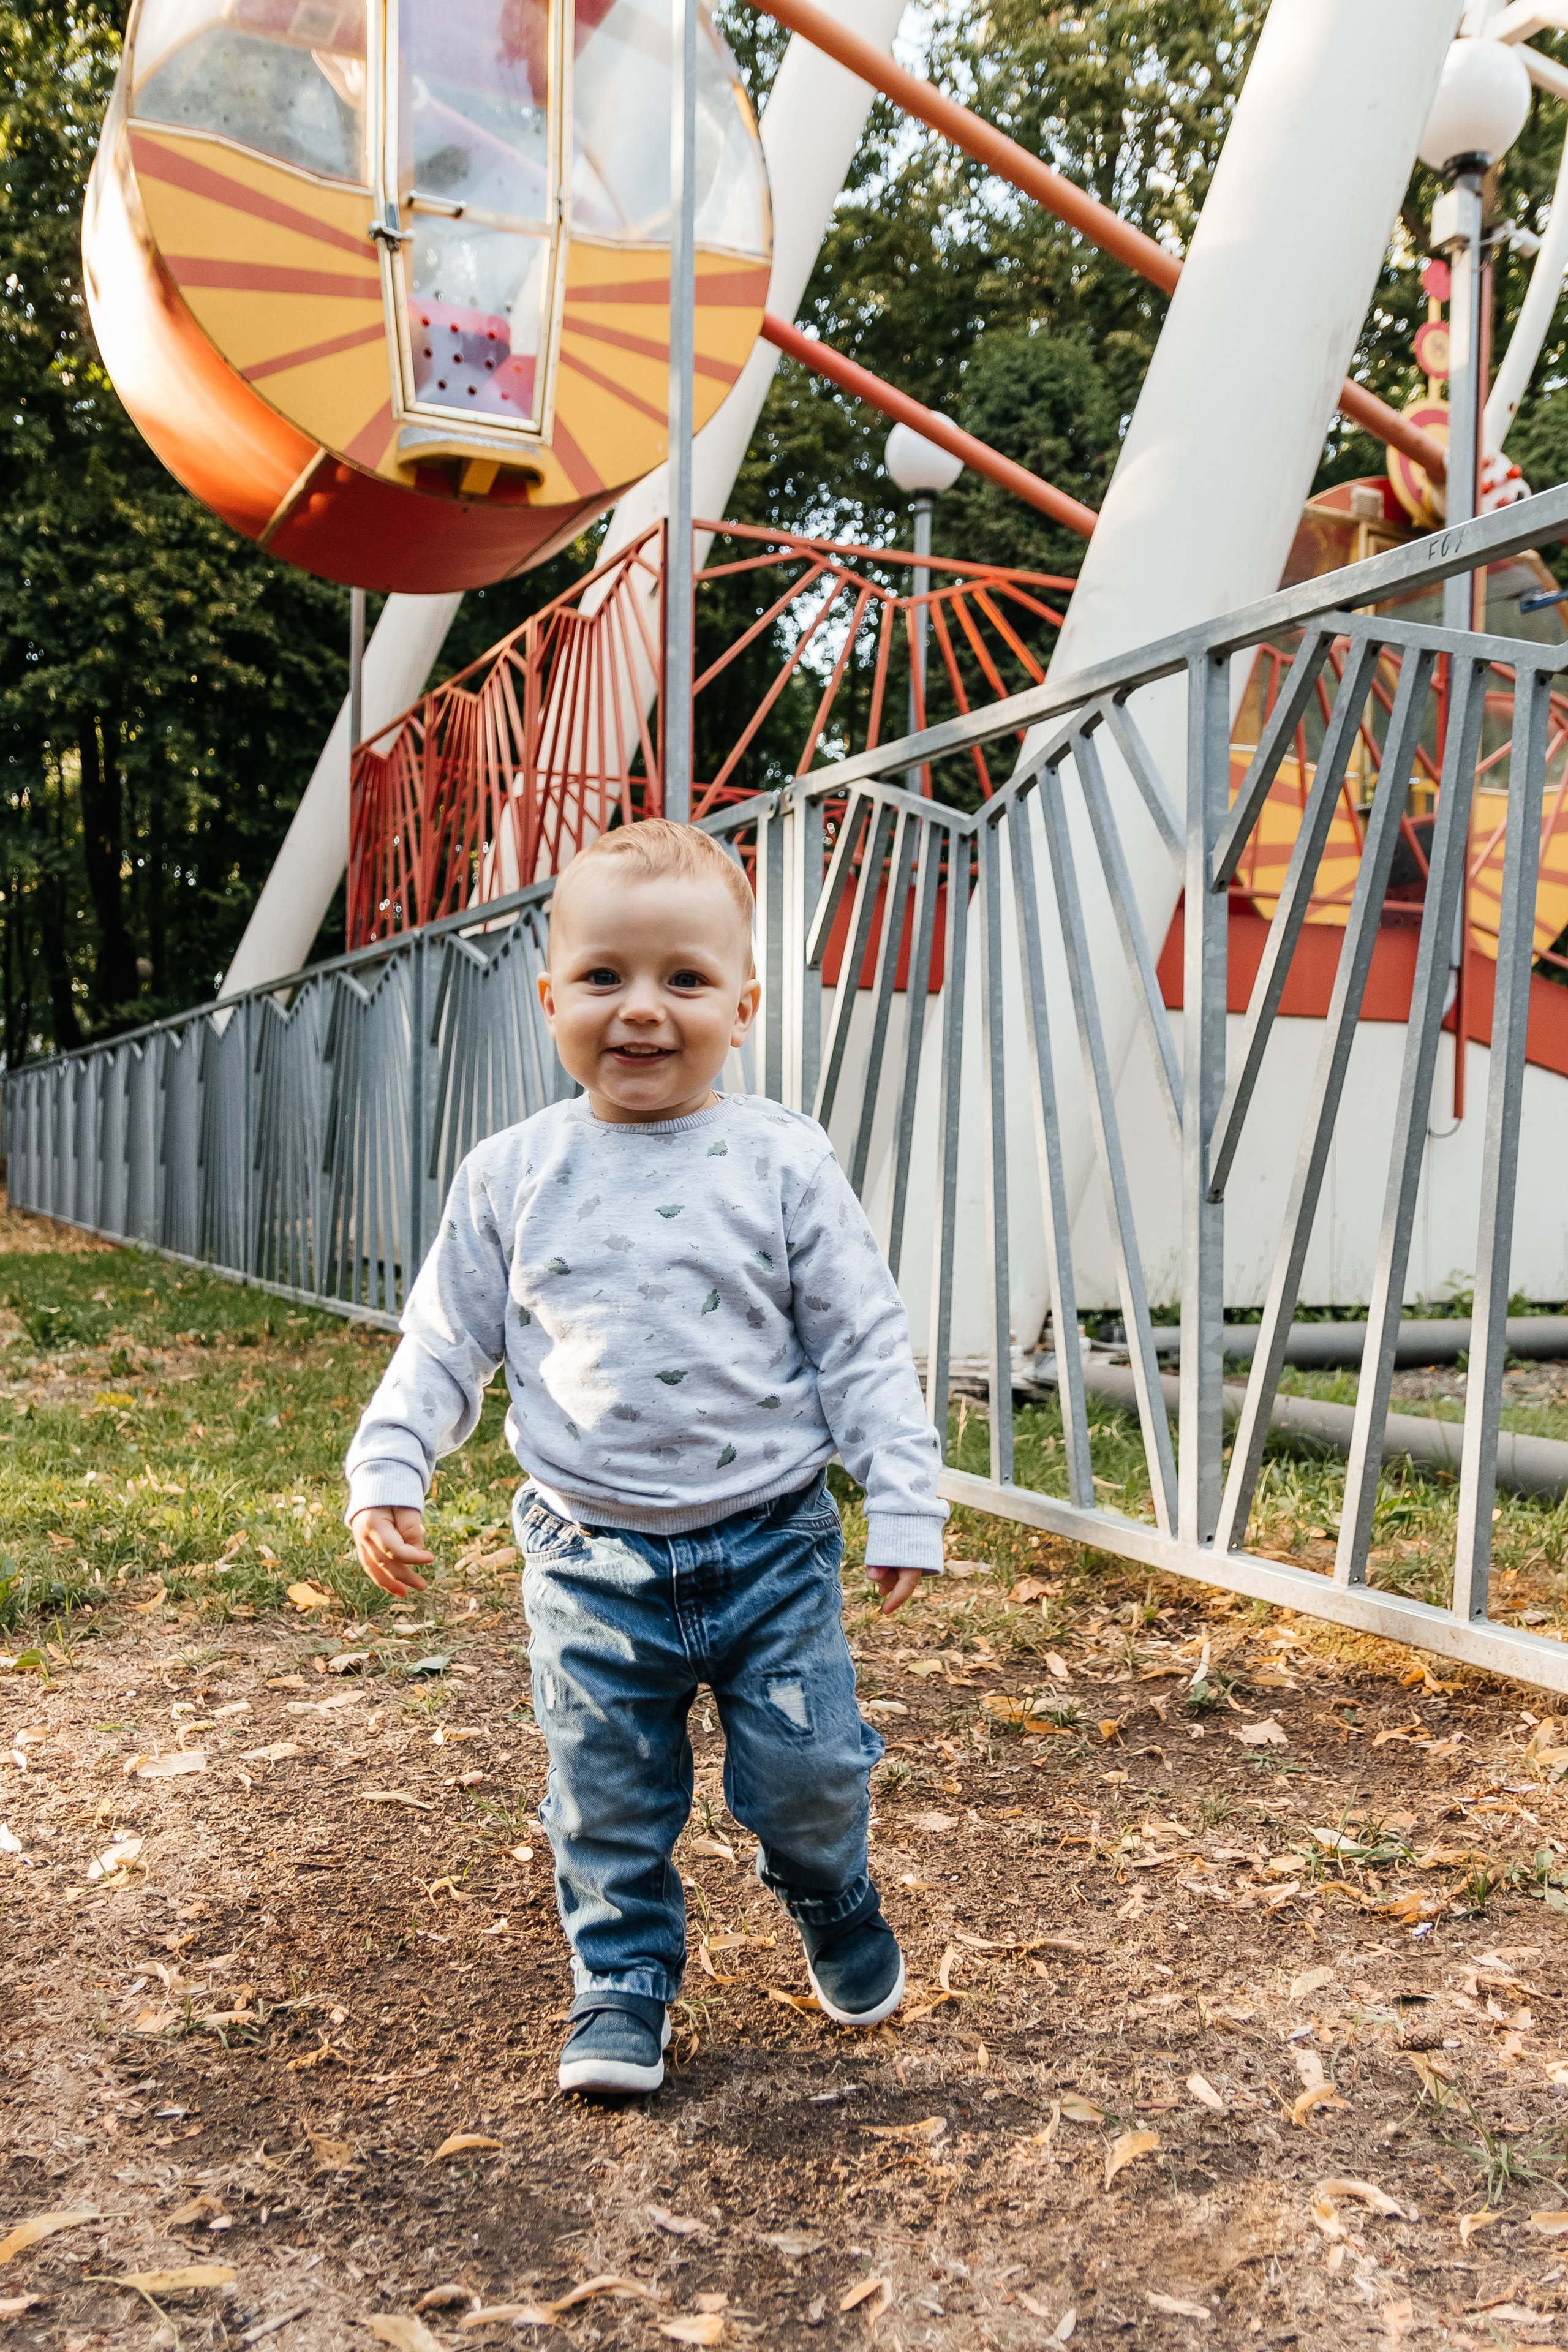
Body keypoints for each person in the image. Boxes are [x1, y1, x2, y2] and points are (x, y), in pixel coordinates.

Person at [344, 820, 948, 2095]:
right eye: (606, 978)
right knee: (606, 1793)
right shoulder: (513, 1174)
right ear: (552, 994)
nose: (642, 1011)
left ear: (742, 1002)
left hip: (769, 1541)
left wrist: (900, 1493)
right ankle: (620, 1981)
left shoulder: (781, 1160)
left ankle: (826, 1884)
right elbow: (447, 1337)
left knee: (809, 1771)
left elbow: (858, 1339)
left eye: (683, 980)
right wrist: (392, 1460)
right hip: (588, 1553)